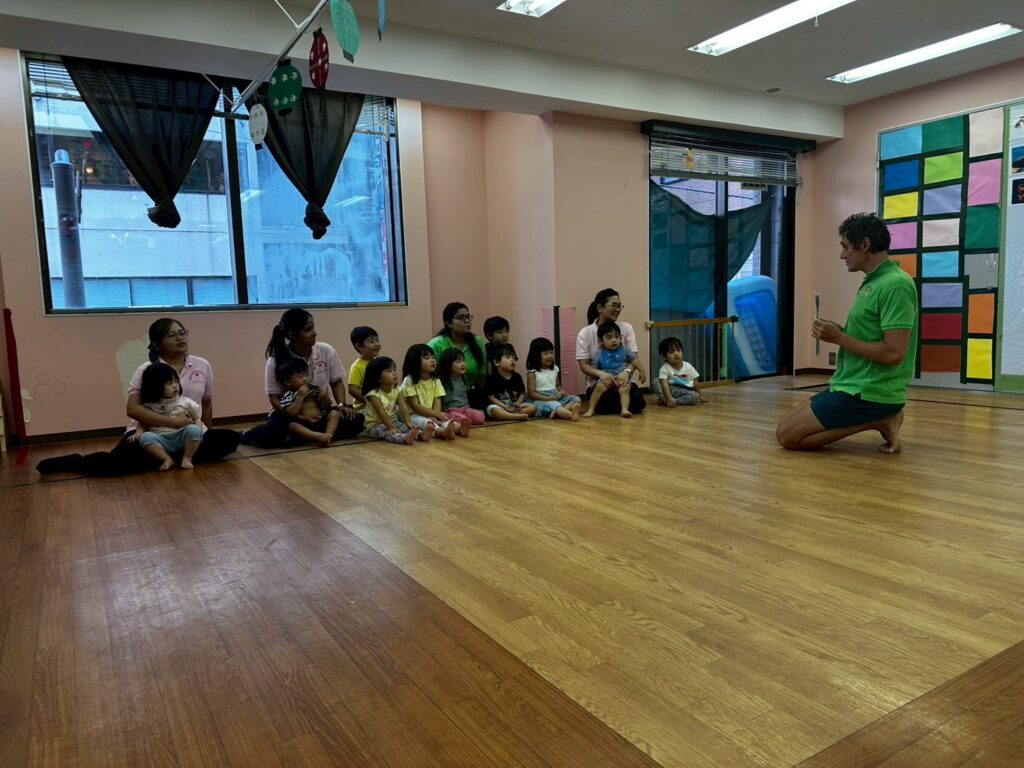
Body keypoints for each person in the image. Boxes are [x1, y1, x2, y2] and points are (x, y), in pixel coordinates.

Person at [776, 212, 918, 453]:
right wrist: (839, 332)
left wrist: (839, 338)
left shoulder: (895, 285)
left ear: (865, 244)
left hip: (871, 392)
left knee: (787, 437)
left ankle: (880, 419)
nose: (842, 255)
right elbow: (870, 337)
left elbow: (894, 353)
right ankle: (879, 418)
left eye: (845, 247)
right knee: (785, 429)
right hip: (850, 385)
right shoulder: (874, 282)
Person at [37, 318, 240, 476]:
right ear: (157, 344)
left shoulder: (202, 365)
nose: (180, 338)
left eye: (182, 333)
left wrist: (207, 434)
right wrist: (172, 422)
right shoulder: (146, 369)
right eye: (172, 335)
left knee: (229, 439)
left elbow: (206, 402)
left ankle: (167, 457)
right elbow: (133, 409)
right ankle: (73, 461)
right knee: (114, 465)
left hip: (187, 433)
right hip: (151, 432)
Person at [241, 308, 364, 447]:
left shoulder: (326, 350)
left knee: (357, 420)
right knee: (275, 431)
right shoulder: (276, 360)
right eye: (307, 330)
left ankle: (304, 436)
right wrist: (300, 415)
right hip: (291, 415)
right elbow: (274, 398)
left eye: (313, 328)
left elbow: (336, 382)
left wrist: (341, 405)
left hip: (320, 412)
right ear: (292, 335)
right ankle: (250, 434)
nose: (314, 333)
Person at [576, 288, 647, 415]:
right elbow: (584, 365)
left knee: (638, 402)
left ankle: (623, 408)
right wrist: (602, 375)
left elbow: (633, 357)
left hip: (623, 380)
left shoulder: (626, 328)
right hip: (600, 382)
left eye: (619, 306)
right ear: (600, 307)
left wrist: (627, 373)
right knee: (606, 401)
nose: (618, 309)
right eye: (614, 305)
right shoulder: (585, 333)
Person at [132, 362, 205, 471]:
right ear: (155, 387)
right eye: (169, 383)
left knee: (193, 429)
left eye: (176, 381)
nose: (175, 386)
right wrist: (139, 432)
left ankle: (187, 457)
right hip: (161, 439)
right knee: (145, 437)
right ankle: (166, 459)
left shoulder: (185, 402)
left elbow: (196, 419)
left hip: (181, 437)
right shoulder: (150, 405)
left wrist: (199, 432)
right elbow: (143, 422)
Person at [399, 344, 468, 439]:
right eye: (427, 358)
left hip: (431, 413)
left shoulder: (435, 380)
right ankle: (442, 433)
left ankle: (459, 428)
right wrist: (434, 414)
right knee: (427, 423)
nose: (432, 360)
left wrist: (436, 415)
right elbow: (415, 406)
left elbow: (437, 400)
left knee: (446, 419)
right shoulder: (409, 380)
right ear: (415, 362)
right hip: (413, 415)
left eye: (433, 357)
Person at [427, 302, 488, 406]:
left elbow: (482, 376)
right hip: (443, 398)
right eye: (461, 318)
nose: (467, 321)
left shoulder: (478, 342)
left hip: (471, 395)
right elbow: (429, 378)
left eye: (468, 317)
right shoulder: (436, 344)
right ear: (448, 323)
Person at [275, 357, 342, 446]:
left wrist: (324, 397)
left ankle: (328, 435)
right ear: (288, 381)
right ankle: (316, 436)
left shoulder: (314, 389)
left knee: (334, 413)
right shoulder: (288, 395)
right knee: (292, 425)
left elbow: (327, 407)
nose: (305, 379)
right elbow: (291, 413)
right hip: (304, 423)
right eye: (300, 377)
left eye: (307, 375)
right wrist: (300, 397)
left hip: (320, 420)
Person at [582, 322, 641, 418]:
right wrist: (598, 379)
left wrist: (642, 371)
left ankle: (624, 409)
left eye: (616, 337)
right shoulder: (599, 353)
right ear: (602, 341)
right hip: (607, 379)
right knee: (598, 388)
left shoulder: (625, 350)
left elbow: (634, 360)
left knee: (624, 390)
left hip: (622, 378)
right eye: (609, 338)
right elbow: (595, 368)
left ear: (620, 338)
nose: (614, 340)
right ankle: (591, 409)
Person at [361, 356, 423, 445]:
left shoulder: (397, 390)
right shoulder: (373, 394)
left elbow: (403, 406)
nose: (394, 373)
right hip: (375, 425)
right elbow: (381, 412)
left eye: (394, 370)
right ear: (378, 378)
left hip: (393, 421)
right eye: (389, 371)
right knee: (389, 433)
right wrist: (390, 427)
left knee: (406, 427)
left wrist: (407, 421)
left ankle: (421, 435)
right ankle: (404, 438)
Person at [525, 337, 581, 421]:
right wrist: (548, 398)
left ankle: (557, 413)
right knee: (554, 404)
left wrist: (561, 391)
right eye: (546, 353)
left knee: (576, 399)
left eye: (551, 352)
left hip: (555, 397)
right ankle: (570, 415)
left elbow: (557, 385)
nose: (550, 356)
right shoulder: (532, 373)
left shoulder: (554, 369)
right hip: (541, 400)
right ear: (536, 355)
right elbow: (532, 393)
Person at [485, 344, 536, 421]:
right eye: (508, 357)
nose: (512, 360)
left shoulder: (517, 376)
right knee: (493, 410)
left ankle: (509, 416)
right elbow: (491, 397)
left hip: (515, 407)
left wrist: (518, 402)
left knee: (533, 408)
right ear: (496, 362)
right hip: (499, 406)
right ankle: (515, 416)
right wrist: (503, 406)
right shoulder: (491, 378)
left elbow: (522, 393)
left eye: (513, 358)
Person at [438, 348, 486, 428]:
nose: (463, 364)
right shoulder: (443, 380)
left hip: (464, 409)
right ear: (448, 365)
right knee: (462, 419)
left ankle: (463, 420)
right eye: (458, 362)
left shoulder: (463, 377)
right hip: (451, 410)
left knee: (480, 417)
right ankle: (453, 421)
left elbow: (465, 394)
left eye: (463, 361)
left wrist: (467, 407)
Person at [656, 337, 705, 407]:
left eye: (678, 350)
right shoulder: (664, 368)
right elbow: (664, 385)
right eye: (671, 352)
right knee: (655, 381)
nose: (676, 354)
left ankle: (669, 401)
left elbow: (695, 382)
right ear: (664, 356)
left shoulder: (688, 366)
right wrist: (669, 397)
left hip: (686, 391)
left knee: (694, 396)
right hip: (670, 390)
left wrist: (700, 395)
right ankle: (668, 399)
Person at [348, 325, 380, 410]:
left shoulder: (379, 363)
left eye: (377, 340)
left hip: (381, 404)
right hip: (365, 408)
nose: (377, 344)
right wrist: (370, 401)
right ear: (359, 346)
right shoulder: (356, 366)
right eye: (372, 341)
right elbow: (352, 389)